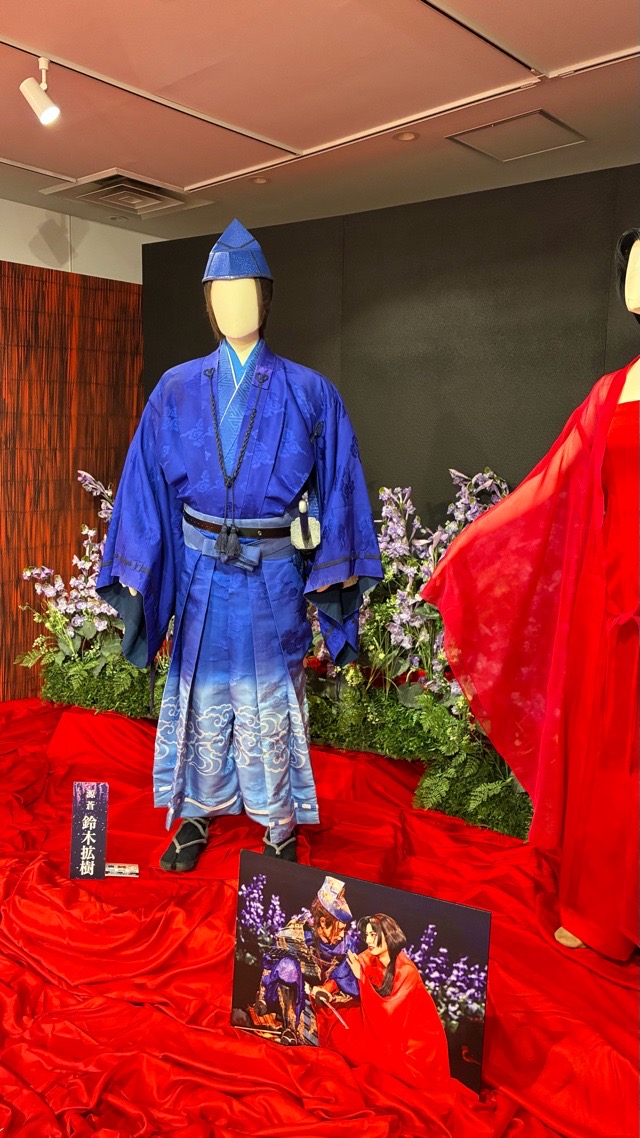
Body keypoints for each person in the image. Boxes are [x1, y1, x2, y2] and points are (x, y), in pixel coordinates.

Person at [97, 220, 382, 869]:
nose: (234, 306)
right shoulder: (175, 389)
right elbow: (144, 481)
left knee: (271, 696)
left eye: (246, 292)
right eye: (221, 295)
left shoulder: (310, 391)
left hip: (273, 572)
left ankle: (278, 822)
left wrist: (335, 569)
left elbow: (339, 481)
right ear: (207, 304)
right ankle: (198, 812)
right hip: (201, 570)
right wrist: (139, 562)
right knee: (202, 691)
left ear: (267, 299)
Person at [422, 229, 640, 960]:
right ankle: (607, 909)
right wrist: (470, 552)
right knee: (611, 764)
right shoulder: (609, 394)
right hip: (615, 614)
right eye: (635, 269)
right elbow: (551, 487)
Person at [314, 913, 451, 1096]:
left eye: (373, 935)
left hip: (412, 1042)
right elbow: (344, 971)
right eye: (367, 935)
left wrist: (362, 978)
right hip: (382, 1023)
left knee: (370, 1062)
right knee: (341, 1020)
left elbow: (389, 1013)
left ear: (388, 936)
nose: (368, 940)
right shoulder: (371, 956)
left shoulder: (407, 971)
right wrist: (327, 989)